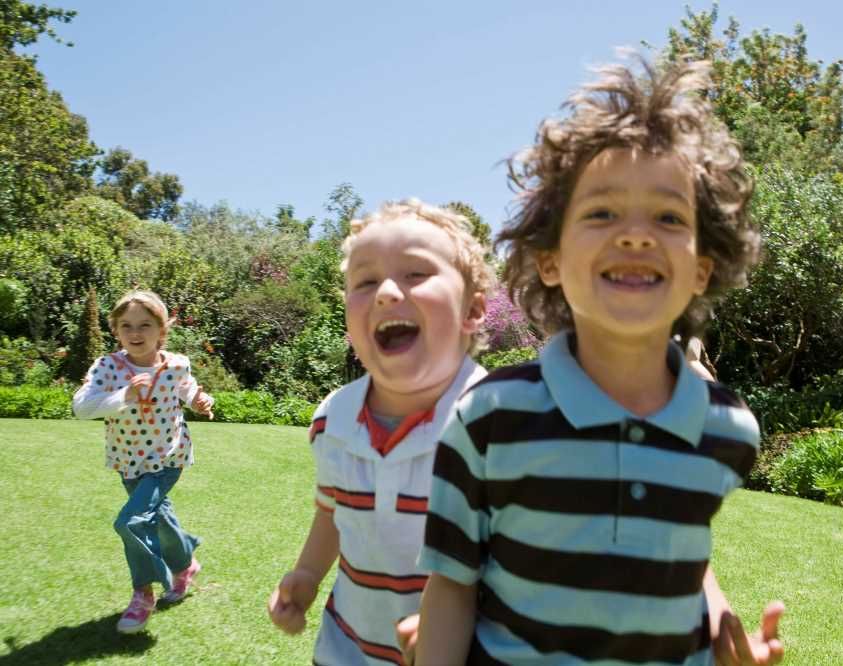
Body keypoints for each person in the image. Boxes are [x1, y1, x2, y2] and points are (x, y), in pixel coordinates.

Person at [412, 57, 785, 665]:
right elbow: (453, 583)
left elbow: (682, 555)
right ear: (550, 260)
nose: (636, 234)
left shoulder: (727, 430)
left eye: (668, 217)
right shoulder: (490, 418)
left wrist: (722, 628)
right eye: (602, 212)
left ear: (701, 268)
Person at [267, 199, 493, 665]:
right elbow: (333, 512)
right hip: (344, 647)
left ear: (472, 311)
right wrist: (307, 574)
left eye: (416, 274)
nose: (387, 292)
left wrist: (454, 626)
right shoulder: (333, 417)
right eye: (365, 281)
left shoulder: (502, 421)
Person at [72, 289, 214, 634]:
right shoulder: (108, 367)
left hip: (169, 457)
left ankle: (142, 594)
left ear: (161, 330)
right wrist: (125, 395)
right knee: (158, 516)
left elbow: (187, 387)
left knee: (132, 521)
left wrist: (199, 400)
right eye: (127, 325)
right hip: (128, 459)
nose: (136, 333)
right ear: (116, 330)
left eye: (145, 325)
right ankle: (185, 566)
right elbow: (81, 408)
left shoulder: (176, 364)